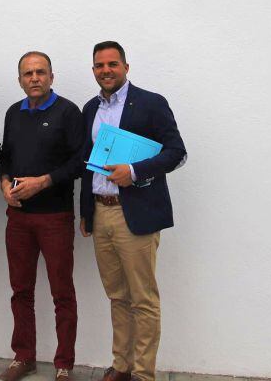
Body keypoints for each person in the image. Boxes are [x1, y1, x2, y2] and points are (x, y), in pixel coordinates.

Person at [78, 41, 187, 381]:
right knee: (117, 296)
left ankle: (143, 373)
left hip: (135, 213)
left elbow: (177, 152)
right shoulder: (89, 109)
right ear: (93, 70)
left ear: (126, 66)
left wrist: (136, 170)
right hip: (101, 211)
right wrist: (85, 211)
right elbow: (87, 163)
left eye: (112, 64)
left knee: (143, 299)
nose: (106, 70)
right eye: (99, 65)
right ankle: (121, 365)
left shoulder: (151, 103)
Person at [0, 52, 85, 381]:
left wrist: (44, 182)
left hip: (55, 217)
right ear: (19, 79)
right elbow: (6, 159)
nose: (34, 78)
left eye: (40, 72)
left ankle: (64, 364)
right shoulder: (12, 113)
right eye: (27, 73)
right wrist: (5, 183)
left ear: (51, 76)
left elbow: (80, 162)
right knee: (20, 290)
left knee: (62, 293)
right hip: (18, 218)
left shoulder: (68, 112)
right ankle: (24, 357)